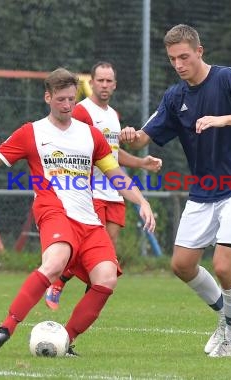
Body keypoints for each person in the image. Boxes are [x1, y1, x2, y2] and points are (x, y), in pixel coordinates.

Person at [0, 68, 156, 356]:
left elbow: (116, 175)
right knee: (54, 263)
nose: (66, 105)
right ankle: (4, 329)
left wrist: (142, 201)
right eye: (61, 99)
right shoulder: (32, 132)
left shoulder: (91, 135)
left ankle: (66, 340)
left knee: (107, 277)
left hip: (89, 219)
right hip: (54, 210)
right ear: (47, 97)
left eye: (71, 99)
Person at [119, 24, 231, 358]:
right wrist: (129, 135)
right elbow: (145, 136)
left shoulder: (228, 79)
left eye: (184, 56)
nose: (178, 64)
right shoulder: (175, 97)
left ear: (199, 52)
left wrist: (222, 119)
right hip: (204, 191)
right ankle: (227, 315)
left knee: (222, 266)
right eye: (173, 58)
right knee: (182, 264)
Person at [44, 61, 162, 310]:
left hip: (114, 192)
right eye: (100, 80)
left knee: (107, 255)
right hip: (90, 193)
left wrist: (141, 163)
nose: (105, 85)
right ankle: (58, 282)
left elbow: (111, 156)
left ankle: (87, 305)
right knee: (89, 250)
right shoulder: (81, 112)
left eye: (109, 81)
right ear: (91, 82)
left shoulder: (114, 117)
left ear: (115, 85)